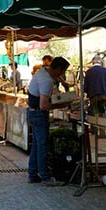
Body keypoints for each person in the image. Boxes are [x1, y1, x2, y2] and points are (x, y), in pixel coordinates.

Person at [27, 57, 71, 186]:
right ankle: (45, 176)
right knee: (42, 145)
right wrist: (62, 104)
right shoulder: (46, 81)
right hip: (39, 114)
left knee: (36, 144)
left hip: (32, 113)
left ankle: (33, 174)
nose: (62, 75)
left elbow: (56, 76)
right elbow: (44, 105)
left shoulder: (44, 71)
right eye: (63, 72)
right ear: (58, 69)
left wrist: (63, 82)